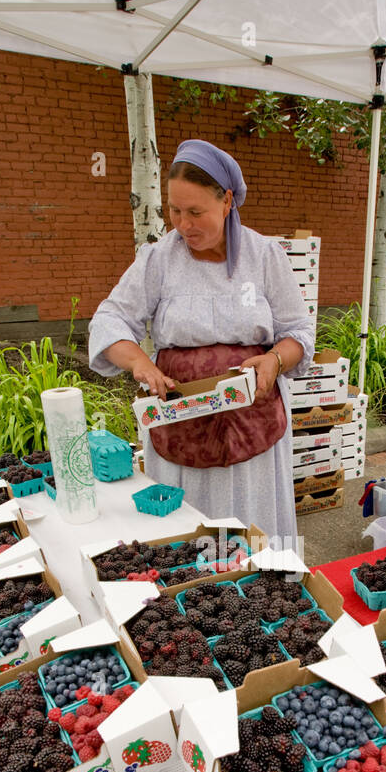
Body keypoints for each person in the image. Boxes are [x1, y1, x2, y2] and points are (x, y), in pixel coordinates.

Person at [87, 140, 315, 543]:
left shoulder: (264, 256)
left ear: (227, 201)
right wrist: (139, 361)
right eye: (174, 211)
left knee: (252, 536)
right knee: (190, 538)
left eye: (195, 212)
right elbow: (110, 319)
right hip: (181, 425)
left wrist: (275, 361)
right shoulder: (158, 260)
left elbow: (299, 332)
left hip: (253, 428)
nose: (183, 224)